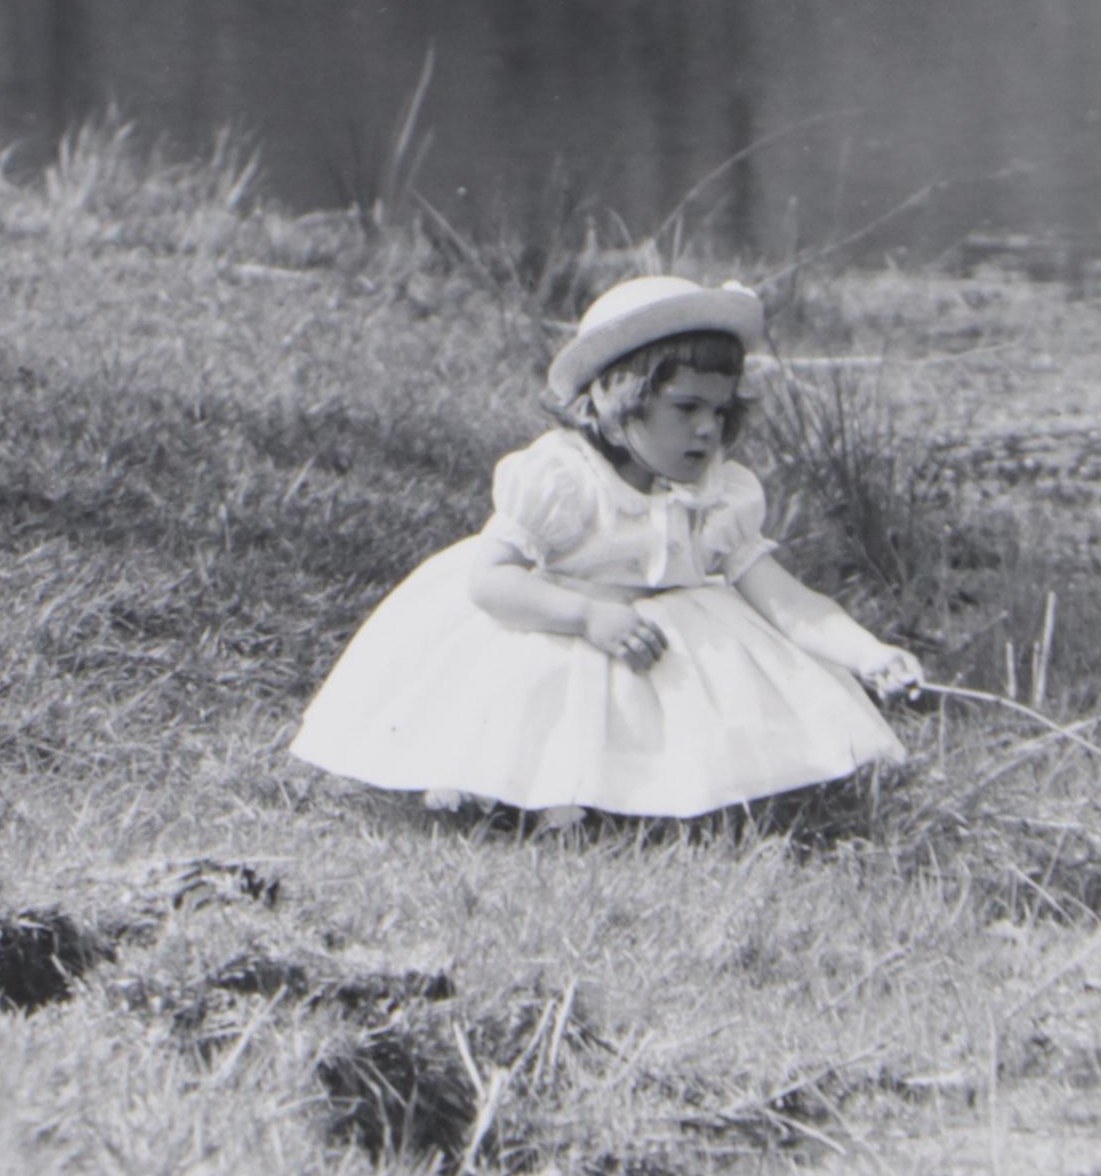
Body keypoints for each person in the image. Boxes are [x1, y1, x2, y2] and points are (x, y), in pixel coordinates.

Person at [291, 272, 924, 822]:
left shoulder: (719, 495)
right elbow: (491, 583)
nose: (708, 429)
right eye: (686, 407)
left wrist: (868, 655)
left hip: (652, 646)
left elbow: (785, 600)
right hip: (556, 623)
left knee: (711, 659)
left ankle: (670, 795)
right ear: (615, 401)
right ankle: (521, 794)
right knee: (541, 680)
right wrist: (587, 615)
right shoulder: (565, 482)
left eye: (720, 412)